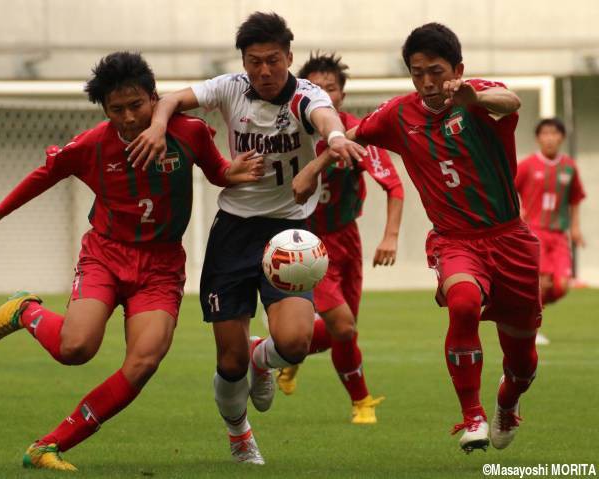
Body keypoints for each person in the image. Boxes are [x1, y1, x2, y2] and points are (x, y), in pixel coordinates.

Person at [0, 51, 263, 471]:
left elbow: (215, 171)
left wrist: (234, 172)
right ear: (105, 110)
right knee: (76, 348)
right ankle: (24, 311)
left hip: (160, 267)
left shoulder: (188, 132)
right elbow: (45, 175)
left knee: (143, 363)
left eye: (136, 105)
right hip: (105, 255)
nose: (128, 117)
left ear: (154, 99)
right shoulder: (91, 145)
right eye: (116, 109)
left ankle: (48, 446)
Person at [127, 12, 365, 464]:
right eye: (254, 61)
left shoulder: (306, 96)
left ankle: (264, 359)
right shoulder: (231, 87)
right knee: (229, 360)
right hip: (234, 229)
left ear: (289, 58)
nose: (264, 71)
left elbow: (327, 117)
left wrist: (334, 139)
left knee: (294, 342)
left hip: (290, 232)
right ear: (243, 62)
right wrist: (158, 125)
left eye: (273, 60)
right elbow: (172, 98)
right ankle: (240, 435)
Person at [293, 23, 541, 453]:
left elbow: (511, 100)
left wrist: (474, 98)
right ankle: (472, 416)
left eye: (437, 71)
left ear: (458, 69)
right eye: (417, 72)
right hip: (455, 241)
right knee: (462, 302)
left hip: (510, 240)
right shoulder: (398, 114)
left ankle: (506, 403)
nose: (428, 82)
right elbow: (351, 136)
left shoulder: (477, 94)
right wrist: (312, 169)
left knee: (520, 360)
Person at [273, 52, 404, 425]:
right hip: (306, 243)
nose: (325, 96)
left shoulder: (358, 133)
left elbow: (393, 186)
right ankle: (362, 402)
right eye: (316, 89)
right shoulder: (290, 136)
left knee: (343, 332)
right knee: (343, 325)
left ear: (342, 96)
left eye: (331, 89)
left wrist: (390, 236)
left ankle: (282, 353)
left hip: (348, 240)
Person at [515, 118, 586, 345]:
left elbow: (575, 199)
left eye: (554, 133)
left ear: (561, 138)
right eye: (545, 133)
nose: (549, 138)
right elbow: (508, 187)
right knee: (542, 282)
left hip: (559, 235)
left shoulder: (569, 167)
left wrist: (575, 228)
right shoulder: (527, 165)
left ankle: (529, 306)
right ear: (538, 138)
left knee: (562, 285)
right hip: (534, 232)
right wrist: (518, 213)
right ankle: (532, 329)